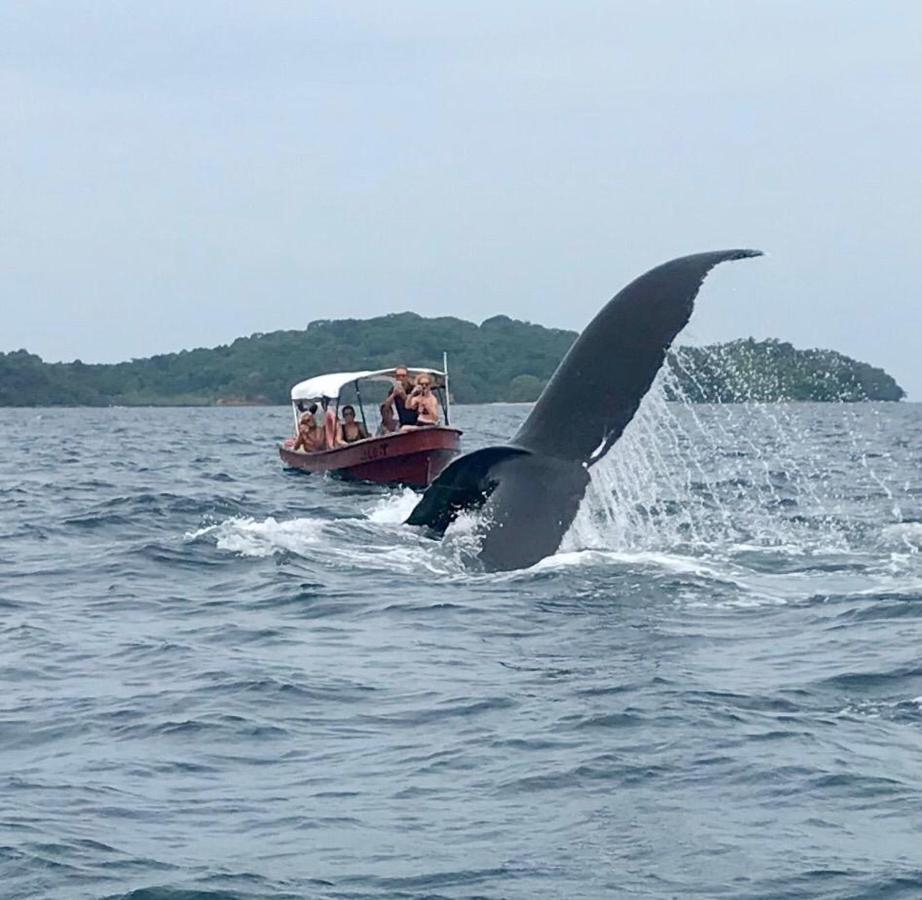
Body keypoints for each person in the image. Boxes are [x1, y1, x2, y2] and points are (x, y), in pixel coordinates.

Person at [380, 366, 417, 431]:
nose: (401, 378)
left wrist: (403, 395)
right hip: (403, 422)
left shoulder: (414, 389)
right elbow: (385, 407)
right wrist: (393, 394)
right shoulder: (393, 389)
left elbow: (412, 406)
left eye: (403, 376)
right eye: (398, 376)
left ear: (407, 377)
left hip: (416, 421)